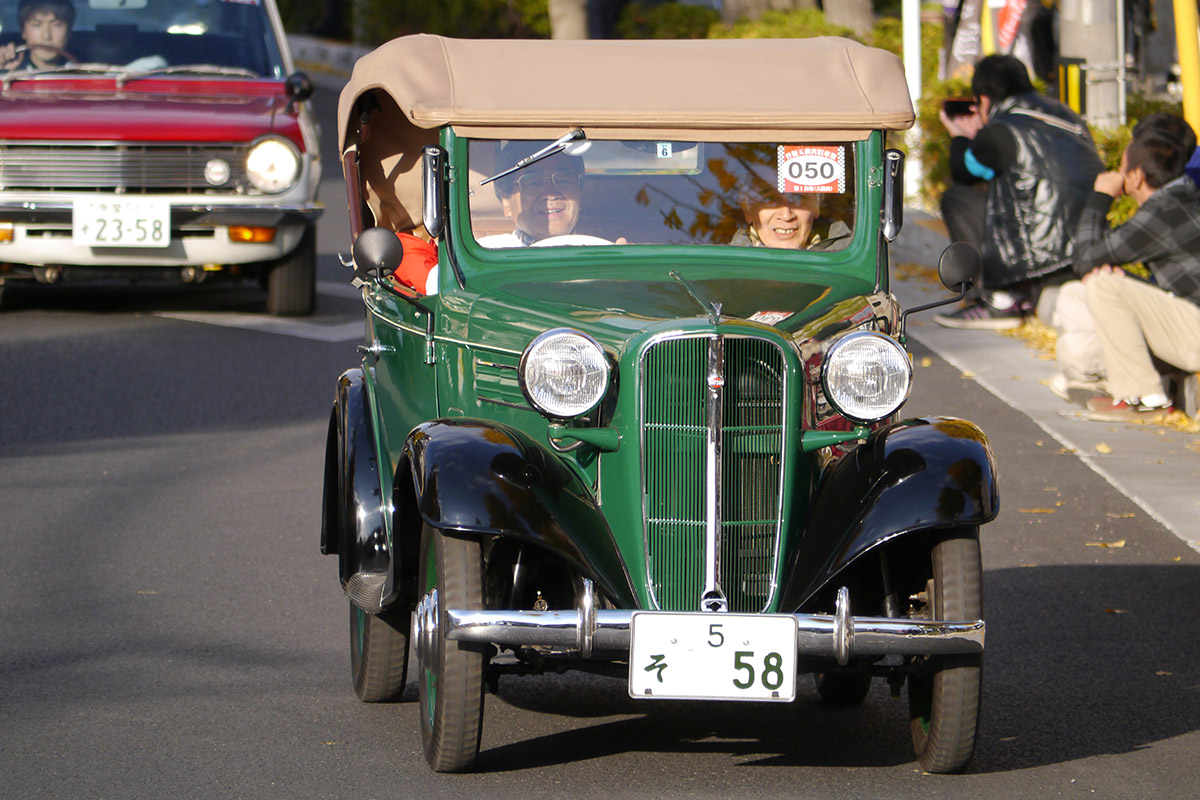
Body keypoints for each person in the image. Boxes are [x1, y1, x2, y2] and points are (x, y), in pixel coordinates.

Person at [934, 54, 1104, 330]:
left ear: (985, 99)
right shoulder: (1066, 115)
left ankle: (999, 300)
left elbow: (963, 172)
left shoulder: (1003, 129)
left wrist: (960, 135)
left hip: (1038, 257)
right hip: (1083, 248)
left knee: (957, 198)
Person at [1065, 113, 1200, 422]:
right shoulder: (1184, 197)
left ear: (1137, 176)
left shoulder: (1164, 212)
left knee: (1101, 285)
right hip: (1189, 319)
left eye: (1122, 168)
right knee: (1080, 292)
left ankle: (1145, 397)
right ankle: (1108, 379)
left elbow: (1085, 259)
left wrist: (1100, 197)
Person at [478, 145, 586, 248]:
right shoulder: (483, 256)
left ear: (580, 197)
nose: (550, 194)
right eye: (533, 183)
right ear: (506, 204)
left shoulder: (600, 254)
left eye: (563, 180)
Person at [731, 189, 851, 251]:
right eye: (769, 199)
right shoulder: (724, 269)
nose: (786, 215)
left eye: (798, 197)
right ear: (748, 211)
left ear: (816, 206)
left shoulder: (848, 257)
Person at [0, 0, 74, 71]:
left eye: (56, 25)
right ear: (23, 31)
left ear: (69, 31)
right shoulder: (11, 70)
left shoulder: (81, 73)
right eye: (37, 25)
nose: (46, 36)